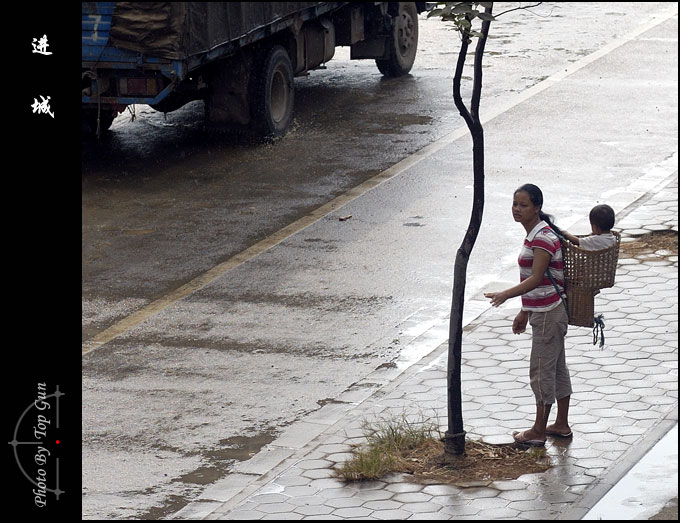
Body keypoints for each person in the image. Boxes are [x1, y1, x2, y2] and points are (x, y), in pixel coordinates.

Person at [484, 184, 572, 448]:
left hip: (548, 314)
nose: (517, 209)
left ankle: (538, 430)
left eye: (523, 205)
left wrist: (505, 295)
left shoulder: (542, 237)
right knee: (556, 369)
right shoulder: (536, 234)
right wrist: (524, 310)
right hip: (545, 310)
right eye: (515, 204)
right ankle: (561, 424)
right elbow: (542, 280)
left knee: (541, 372)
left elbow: (535, 278)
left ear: (537, 208)